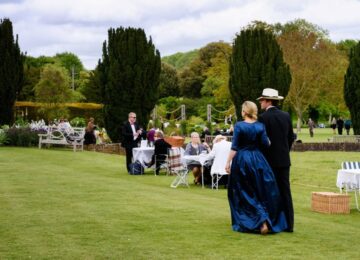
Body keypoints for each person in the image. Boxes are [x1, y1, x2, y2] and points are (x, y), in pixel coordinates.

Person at [225, 101, 288, 235]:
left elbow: (234, 147)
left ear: (244, 112)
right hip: (258, 160)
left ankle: (259, 220)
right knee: (261, 191)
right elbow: (266, 143)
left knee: (243, 192)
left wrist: (227, 162)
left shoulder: (239, 126)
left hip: (242, 161)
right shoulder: (260, 126)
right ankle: (264, 219)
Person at [257, 88, 295, 233]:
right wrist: (284, 151)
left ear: (268, 101)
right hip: (284, 160)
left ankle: (274, 223)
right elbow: (291, 137)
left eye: (262, 100)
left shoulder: (263, 118)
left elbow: (262, 141)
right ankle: (289, 225)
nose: (260, 103)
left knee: (270, 192)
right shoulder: (286, 116)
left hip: (268, 161)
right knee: (285, 192)